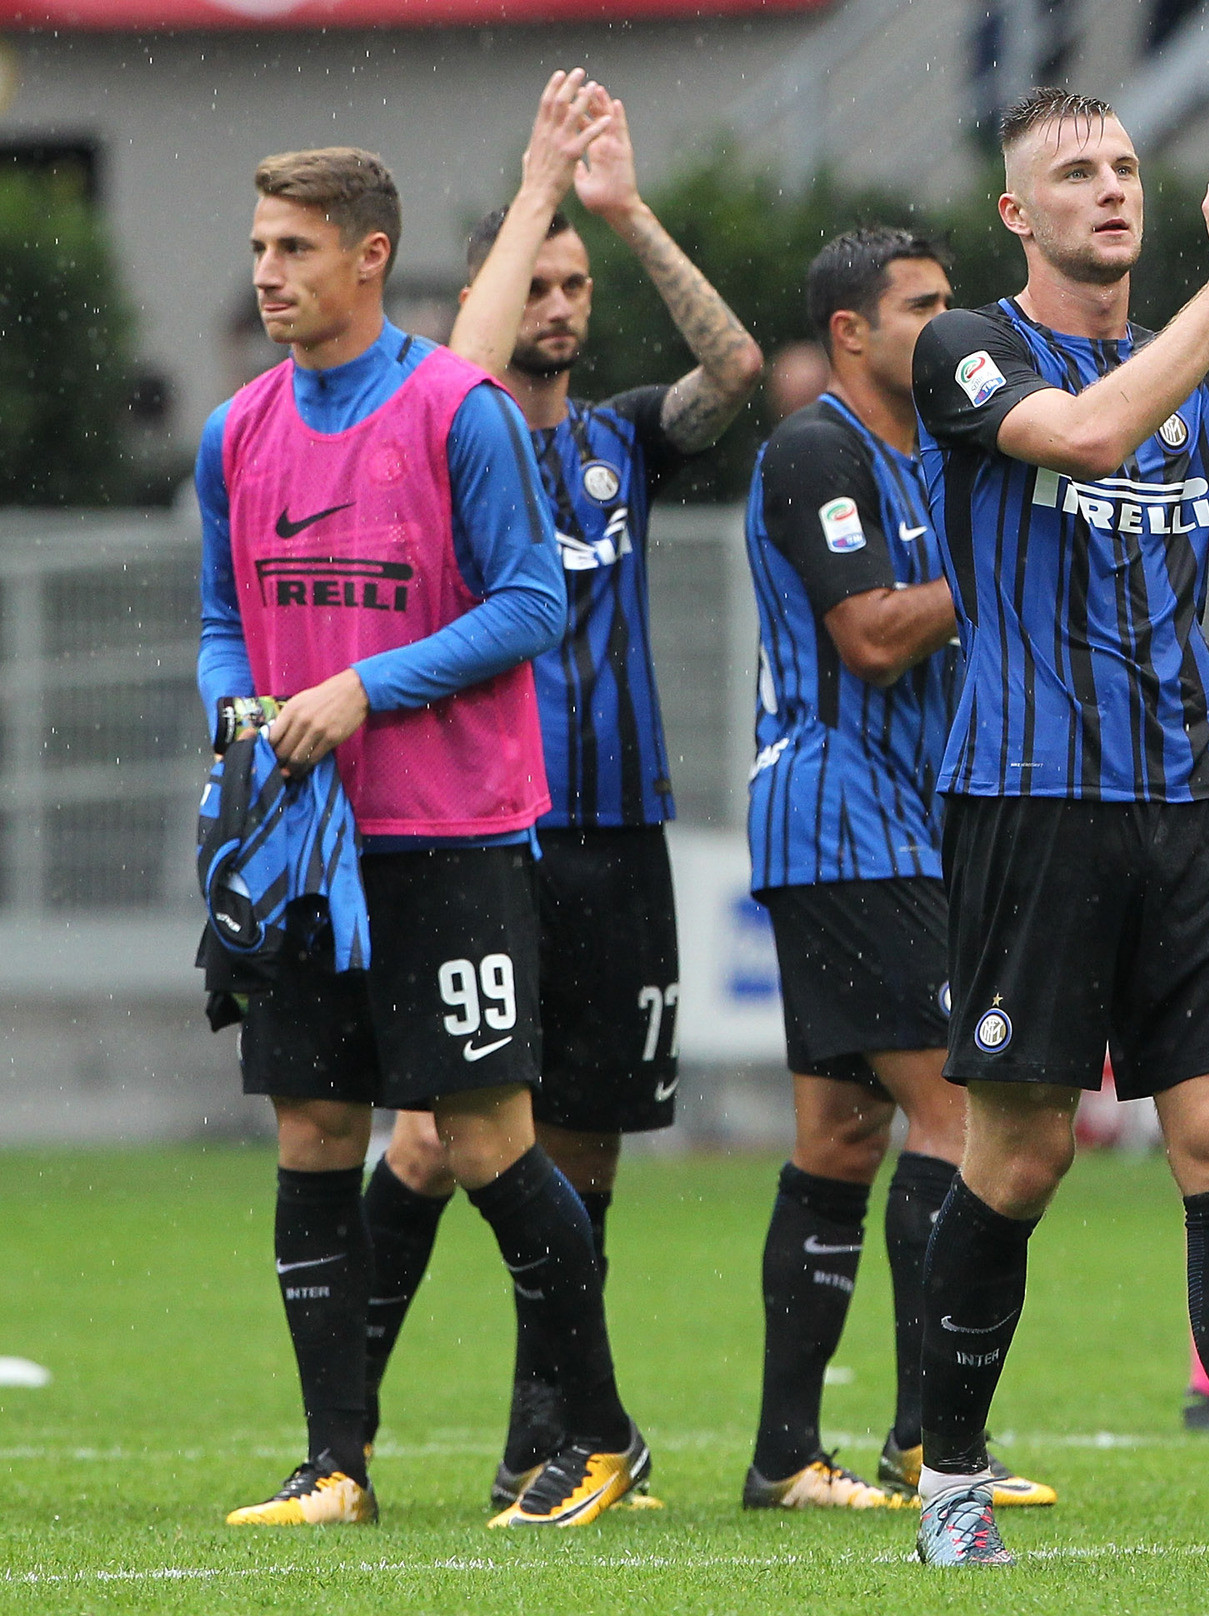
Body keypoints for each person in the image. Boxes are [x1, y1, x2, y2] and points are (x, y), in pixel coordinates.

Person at [904, 87, 1209, 1570]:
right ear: (1019, 214)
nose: (1113, 188)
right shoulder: (969, 347)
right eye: (1077, 172)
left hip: (1197, 804)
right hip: (1032, 802)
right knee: (1021, 1159)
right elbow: (1081, 434)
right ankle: (949, 1485)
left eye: (1125, 166)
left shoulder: (1203, 366)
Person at [200, 145, 644, 1528]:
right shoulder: (235, 431)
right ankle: (336, 1465)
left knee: (488, 1140)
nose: (268, 272)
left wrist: (362, 688)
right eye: (260, 247)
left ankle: (601, 1437)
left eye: (294, 248)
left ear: (370, 255)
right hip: (304, 849)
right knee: (316, 1130)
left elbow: (530, 603)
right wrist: (237, 715)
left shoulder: (461, 410)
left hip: (450, 836)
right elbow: (221, 618)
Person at [357, 73, 764, 1512]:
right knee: (434, 1137)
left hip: (617, 834)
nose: (560, 303)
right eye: (536, 282)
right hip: (489, 831)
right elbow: (450, 388)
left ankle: (550, 1441)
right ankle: (343, 1436)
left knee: (583, 1153)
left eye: (575, 285)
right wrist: (532, 204)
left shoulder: (622, 440)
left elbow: (739, 372)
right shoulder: (445, 438)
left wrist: (626, 213)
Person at [739, 225, 1052, 1513]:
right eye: (921, 305)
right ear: (851, 332)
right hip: (845, 821)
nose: (947, 322)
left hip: (903, 823)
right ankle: (931, 1440)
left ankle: (784, 1456)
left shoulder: (937, 453)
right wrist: (995, 565)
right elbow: (869, 635)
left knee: (842, 1132)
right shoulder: (817, 448)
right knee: (960, 1119)